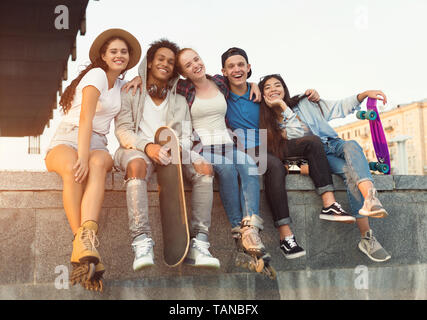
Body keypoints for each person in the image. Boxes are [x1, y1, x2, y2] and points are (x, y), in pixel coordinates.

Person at [220, 48, 355, 260]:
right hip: (247, 151)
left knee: (312, 141)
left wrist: (309, 95)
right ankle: (286, 237)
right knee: (273, 165)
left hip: (273, 143)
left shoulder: (260, 95)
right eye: (231, 66)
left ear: (249, 68)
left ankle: (329, 205)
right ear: (224, 71)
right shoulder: (223, 96)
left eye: (241, 65)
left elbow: (286, 108)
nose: (236, 69)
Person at [45, 28, 142, 290]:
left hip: (98, 143)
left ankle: (83, 249)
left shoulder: (122, 84)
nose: (119, 55)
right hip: (68, 138)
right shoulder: (96, 75)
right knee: (73, 170)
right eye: (114, 51)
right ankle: (84, 245)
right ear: (103, 55)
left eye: (124, 52)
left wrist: (140, 79)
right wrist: (82, 157)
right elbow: (86, 118)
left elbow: (144, 79)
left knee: (99, 164)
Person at [258, 74, 391, 262]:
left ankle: (371, 198)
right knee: (348, 173)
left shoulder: (306, 102)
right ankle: (367, 237)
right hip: (321, 158)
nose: (273, 90)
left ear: (284, 88)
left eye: (277, 85)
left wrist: (364, 94)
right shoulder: (272, 123)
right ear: (262, 95)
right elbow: (298, 133)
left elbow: (337, 108)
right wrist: (282, 107)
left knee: (352, 144)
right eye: (268, 88)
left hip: (333, 143)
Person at [114, 39, 220, 271]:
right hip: (135, 150)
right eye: (160, 59)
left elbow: (185, 134)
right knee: (137, 167)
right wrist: (148, 147)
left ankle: (200, 243)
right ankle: (141, 241)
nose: (165, 64)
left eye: (171, 62)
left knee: (204, 167)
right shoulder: (130, 91)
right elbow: (123, 130)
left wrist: (175, 149)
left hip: (172, 152)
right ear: (150, 63)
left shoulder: (180, 100)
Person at [175, 48, 268, 260]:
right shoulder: (183, 88)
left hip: (228, 143)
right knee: (226, 170)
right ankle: (237, 231)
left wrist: (255, 85)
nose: (195, 65)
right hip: (203, 147)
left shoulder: (219, 82)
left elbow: (240, 80)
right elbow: (157, 77)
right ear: (183, 72)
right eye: (188, 65)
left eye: (196, 59)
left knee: (249, 165)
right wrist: (137, 79)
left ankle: (250, 227)